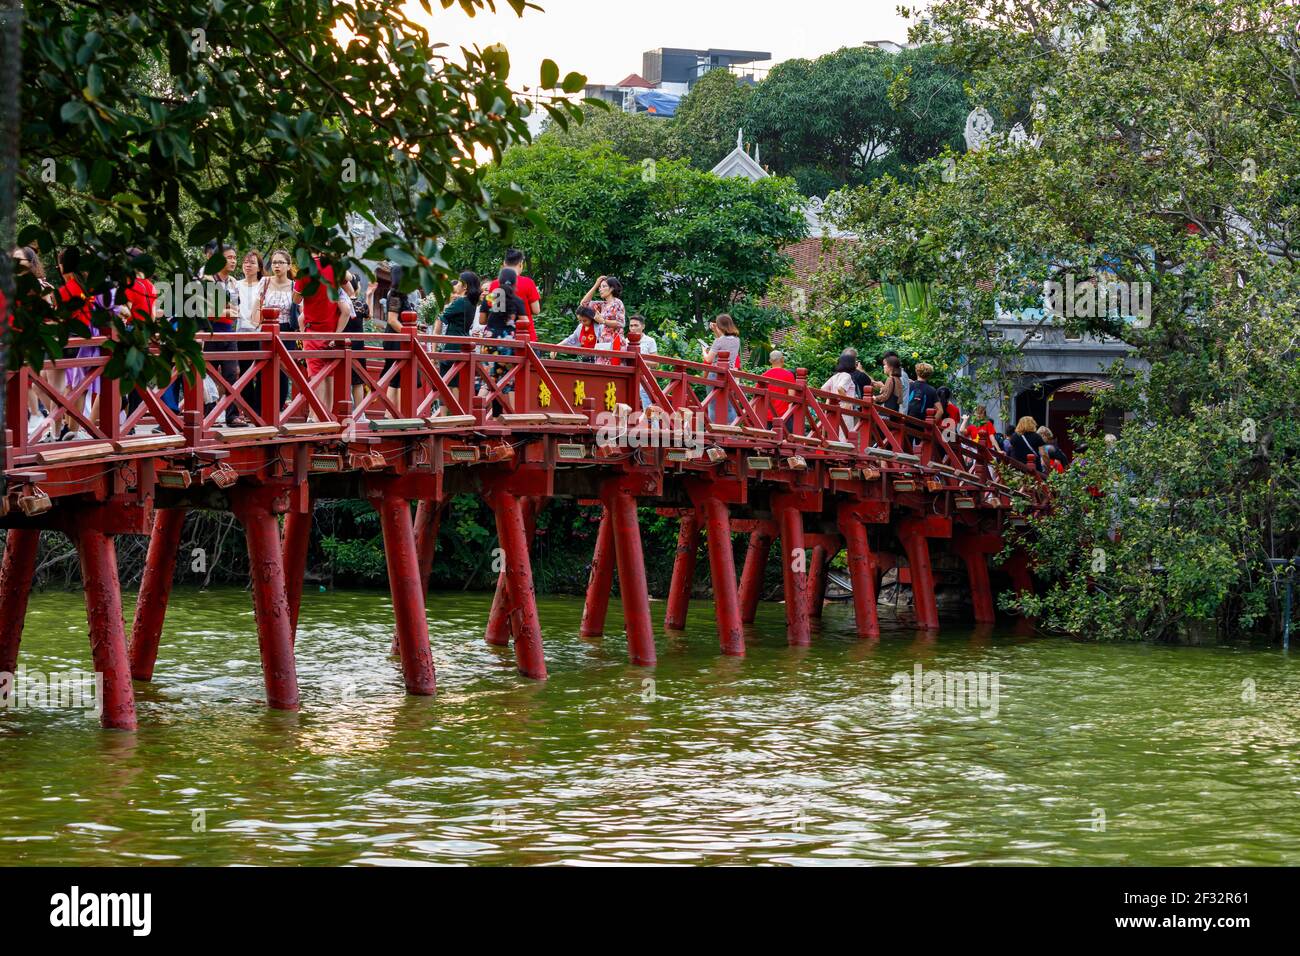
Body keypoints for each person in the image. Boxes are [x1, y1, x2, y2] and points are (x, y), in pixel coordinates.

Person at [293, 252, 348, 419]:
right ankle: (327, 417)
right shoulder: (336, 268)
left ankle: (317, 418)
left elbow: (296, 300)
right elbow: (350, 284)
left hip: (314, 330)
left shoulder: (305, 268)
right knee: (328, 375)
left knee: (316, 376)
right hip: (332, 330)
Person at [203, 245, 246, 426]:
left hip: (228, 332)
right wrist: (225, 310)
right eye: (229, 257)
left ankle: (232, 415)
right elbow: (207, 310)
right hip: (210, 332)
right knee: (206, 375)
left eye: (235, 258)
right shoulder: (206, 280)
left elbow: (235, 308)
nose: (233, 261)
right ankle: (207, 416)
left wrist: (224, 309)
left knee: (232, 374)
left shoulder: (233, 282)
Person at [250, 249, 297, 406]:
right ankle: (258, 409)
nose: (277, 266)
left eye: (281, 262)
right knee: (263, 368)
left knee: (283, 370)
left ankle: (278, 408)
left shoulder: (294, 286)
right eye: (274, 262)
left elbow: (300, 311)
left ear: (289, 266)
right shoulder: (265, 282)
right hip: (266, 328)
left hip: (286, 330)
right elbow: (257, 305)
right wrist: (256, 323)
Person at [432, 271, 480, 387]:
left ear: (465, 286)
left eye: (459, 283)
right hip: (464, 345)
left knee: (446, 388)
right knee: (459, 386)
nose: (457, 285)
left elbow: (441, 318)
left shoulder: (460, 301)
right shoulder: (472, 303)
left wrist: (434, 350)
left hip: (452, 347)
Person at [484, 249, 541, 341]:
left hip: (498, 335)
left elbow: (491, 309)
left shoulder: (495, 285)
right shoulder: (528, 283)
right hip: (525, 335)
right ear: (521, 264)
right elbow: (536, 310)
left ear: (504, 264)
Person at [702, 312, 741, 423]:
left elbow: (709, 359)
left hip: (715, 375)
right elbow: (725, 340)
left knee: (712, 404)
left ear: (720, 326)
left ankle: (714, 431)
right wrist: (716, 329)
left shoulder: (718, 341)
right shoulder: (736, 340)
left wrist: (704, 352)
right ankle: (731, 431)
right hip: (730, 374)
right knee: (729, 405)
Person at [580, 275, 626, 360]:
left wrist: (603, 321)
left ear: (611, 288)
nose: (600, 289)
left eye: (604, 286)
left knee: (613, 371)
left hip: (615, 344)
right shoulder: (602, 305)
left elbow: (621, 323)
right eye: (600, 287)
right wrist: (596, 285)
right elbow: (584, 304)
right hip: (603, 344)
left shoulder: (618, 303)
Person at [821, 352, 859, 439]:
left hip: (833, 409)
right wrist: (847, 401)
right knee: (844, 436)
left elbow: (823, 389)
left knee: (834, 435)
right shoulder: (847, 376)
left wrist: (831, 398)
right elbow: (840, 388)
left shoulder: (835, 376)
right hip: (844, 409)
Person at [761, 349, 796, 426]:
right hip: (784, 416)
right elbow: (792, 398)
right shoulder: (788, 375)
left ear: (770, 361)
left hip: (767, 417)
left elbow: (758, 398)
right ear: (782, 359)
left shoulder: (764, 376)